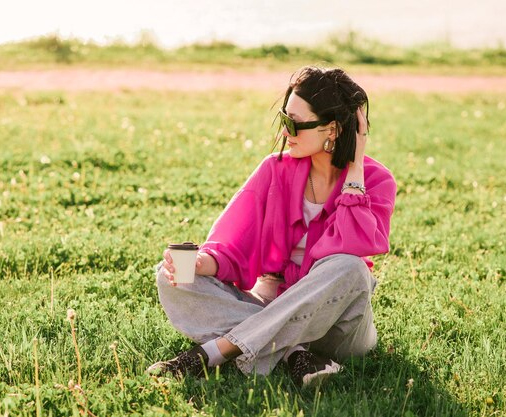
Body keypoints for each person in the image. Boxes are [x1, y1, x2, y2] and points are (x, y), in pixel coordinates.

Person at [148, 66, 396, 387]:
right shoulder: (274, 170)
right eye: (283, 119)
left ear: (331, 130)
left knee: (351, 268)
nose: (285, 132)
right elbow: (232, 244)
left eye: (294, 123)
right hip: (270, 302)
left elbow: (349, 245)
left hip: (335, 323)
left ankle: (213, 352)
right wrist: (199, 264)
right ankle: (296, 352)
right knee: (171, 278)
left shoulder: (376, 181)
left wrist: (356, 166)